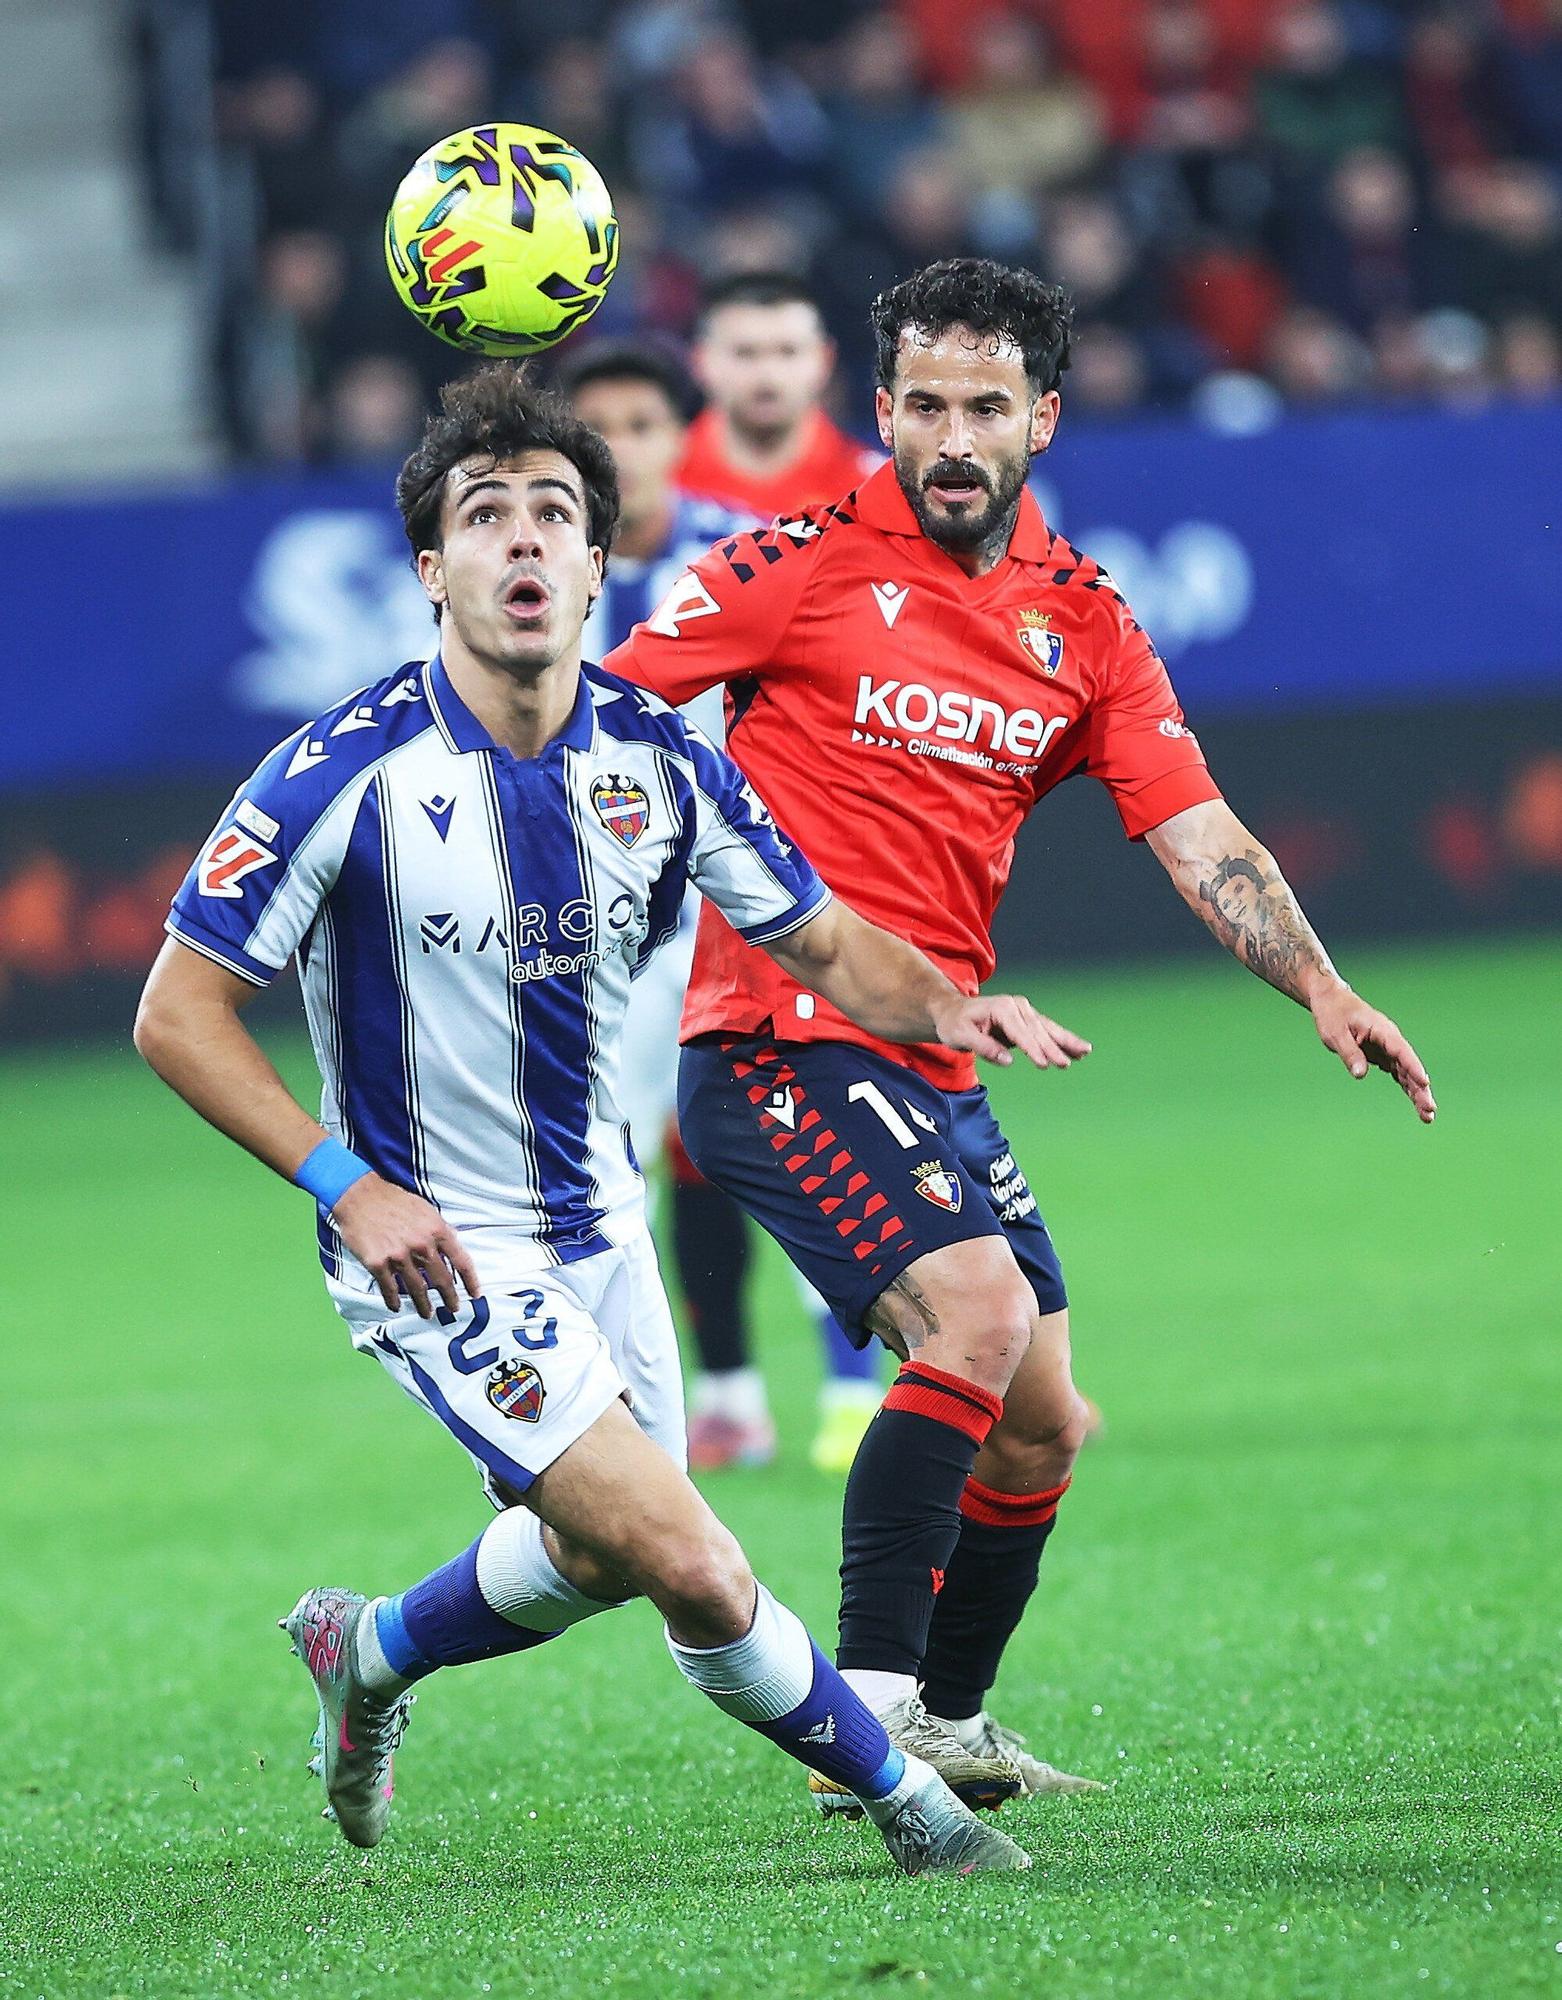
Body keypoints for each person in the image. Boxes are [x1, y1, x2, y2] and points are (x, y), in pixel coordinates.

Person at [132, 363, 1087, 1875]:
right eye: (485, 516)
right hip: (434, 1248)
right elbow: (175, 1015)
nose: (523, 542)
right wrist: (348, 1188)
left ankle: (367, 1651)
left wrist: (947, 1006)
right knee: (692, 1561)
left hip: (600, 1224)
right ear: (433, 568)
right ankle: (919, 1815)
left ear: (598, 560)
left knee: (596, 1549)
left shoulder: (661, 753)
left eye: (554, 515)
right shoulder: (337, 775)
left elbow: (826, 945)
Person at [605, 257, 1437, 1817]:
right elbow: (597, 717)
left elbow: (1197, 833)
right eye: (923, 405)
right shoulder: (787, 565)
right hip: (773, 1039)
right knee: (975, 1324)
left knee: (1041, 1416)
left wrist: (1319, 983)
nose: (952, 437)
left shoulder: (1084, 621)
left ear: (1042, 418)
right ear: (883, 412)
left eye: (985, 406)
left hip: (928, 1063)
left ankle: (957, 1721)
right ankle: (865, 1729)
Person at [556, 334, 884, 1474]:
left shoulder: (739, 559)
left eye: (643, 427)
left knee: (804, 1137)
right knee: (611, 1164)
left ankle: (851, 1390)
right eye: (597, 430)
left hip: (748, 907)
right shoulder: (536, 573)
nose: (622, 452)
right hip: (605, 931)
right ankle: (643, 1413)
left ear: (676, 437)